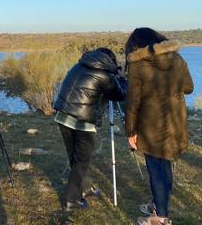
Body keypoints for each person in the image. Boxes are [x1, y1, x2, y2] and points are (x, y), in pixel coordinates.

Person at [124, 28, 193, 225]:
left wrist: (131, 131)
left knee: (156, 170)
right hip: (174, 122)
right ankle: (157, 204)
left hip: (150, 126)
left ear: (137, 44)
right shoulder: (177, 59)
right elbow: (189, 87)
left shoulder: (137, 65)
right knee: (166, 165)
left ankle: (161, 218)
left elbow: (132, 104)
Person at [53, 47, 126, 212]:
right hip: (83, 121)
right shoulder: (106, 76)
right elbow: (120, 95)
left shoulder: (79, 65)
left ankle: (84, 189)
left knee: (75, 157)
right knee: (82, 161)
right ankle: (71, 201)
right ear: (110, 62)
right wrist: (121, 79)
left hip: (63, 115)